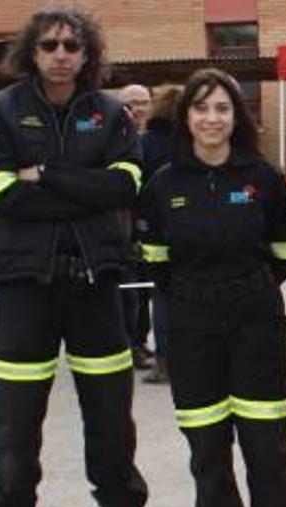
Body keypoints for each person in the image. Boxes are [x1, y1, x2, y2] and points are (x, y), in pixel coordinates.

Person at [0, 7, 150, 507]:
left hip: (95, 284)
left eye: (71, 46)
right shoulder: (0, 110)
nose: (59, 54)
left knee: (111, 424)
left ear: (86, 53)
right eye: (49, 45)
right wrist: (85, 190)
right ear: (31, 50)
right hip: (25, 285)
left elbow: (125, 187)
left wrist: (46, 175)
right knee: (17, 428)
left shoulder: (111, 114)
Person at [136, 68, 286, 507]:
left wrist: (245, 289)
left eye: (222, 108)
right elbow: (158, 263)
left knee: (266, 451)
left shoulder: (263, 179)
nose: (212, 118)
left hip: (257, 325)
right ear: (185, 116)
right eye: (201, 107)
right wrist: (199, 295)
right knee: (208, 453)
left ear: (237, 116)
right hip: (191, 328)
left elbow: (285, 255)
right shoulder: (163, 185)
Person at [137, 84, 180, 385]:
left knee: (160, 296)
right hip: (190, 227)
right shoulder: (189, 143)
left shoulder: (143, 144)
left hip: (153, 230)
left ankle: (164, 360)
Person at [116, 83, 155, 373]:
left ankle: (139, 340)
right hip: (121, 228)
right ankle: (128, 343)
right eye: (131, 102)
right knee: (127, 291)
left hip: (150, 226)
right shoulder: (114, 139)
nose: (138, 108)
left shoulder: (155, 140)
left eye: (143, 101)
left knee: (145, 291)